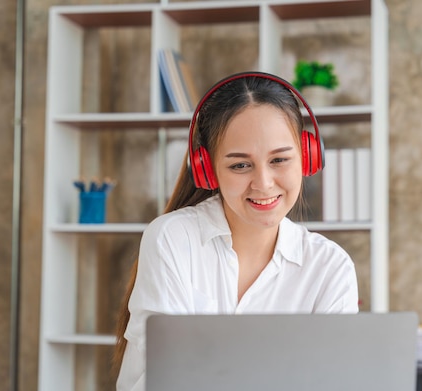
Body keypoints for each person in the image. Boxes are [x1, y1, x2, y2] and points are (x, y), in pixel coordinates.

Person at [114, 72, 359, 391]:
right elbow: (166, 380)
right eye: (240, 165)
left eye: (280, 159)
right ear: (206, 169)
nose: (264, 183)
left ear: (307, 157)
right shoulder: (173, 240)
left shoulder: (330, 267)